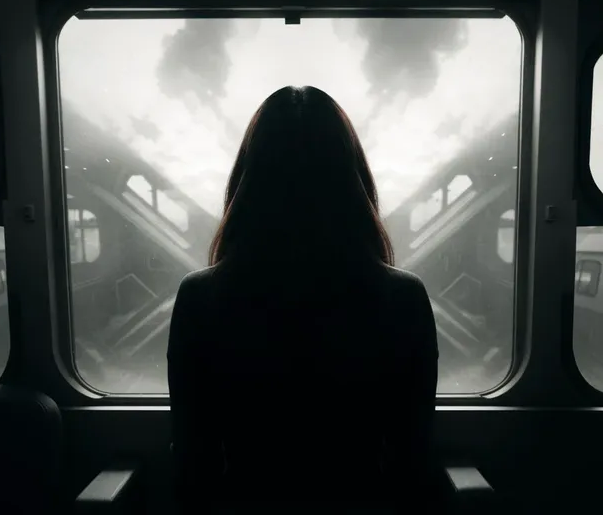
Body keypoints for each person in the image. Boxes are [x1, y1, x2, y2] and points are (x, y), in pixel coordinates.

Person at [168, 86, 441, 513]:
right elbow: (413, 454)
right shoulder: (403, 298)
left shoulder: (200, 298)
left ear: (249, 180)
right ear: (353, 181)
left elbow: (193, 458)